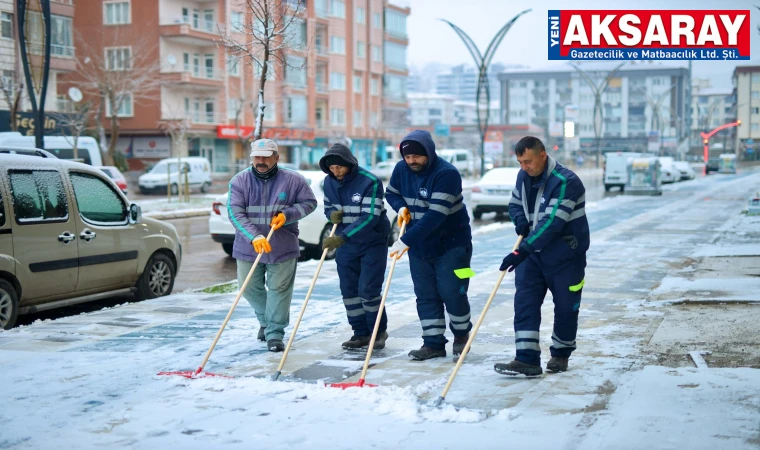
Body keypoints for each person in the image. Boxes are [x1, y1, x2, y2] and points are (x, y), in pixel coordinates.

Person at [495, 136, 589, 376]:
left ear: (542, 155)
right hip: (533, 255)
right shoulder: (523, 177)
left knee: (566, 308)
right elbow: (515, 203)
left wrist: (521, 251)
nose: (524, 167)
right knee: (524, 303)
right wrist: (520, 222)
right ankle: (526, 359)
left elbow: (553, 223)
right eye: (520, 162)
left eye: (528, 162)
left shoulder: (567, 181)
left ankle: (560, 354)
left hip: (565, 255)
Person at [385, 130, 474, 361]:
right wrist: (401, 206)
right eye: (407, 157)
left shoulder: (447, 174)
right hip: (421, 246)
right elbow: (391, 193)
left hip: (453, 244)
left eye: (417, 156)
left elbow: (436, 215)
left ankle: (462, 334)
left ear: (429, 153)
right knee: (425, 295)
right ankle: (433, 343)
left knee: (453, 292)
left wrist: (404, 240)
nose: (412, 161)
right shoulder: (400, 169)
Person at [227, 139, 317, 352]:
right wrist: (254, 236)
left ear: (276, 157)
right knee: (248, 288)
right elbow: (235, 212)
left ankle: (275, 333)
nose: (261, 161)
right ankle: (266, 321)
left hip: (282, 245)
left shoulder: (294, 180)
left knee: (279, 290)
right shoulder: (239, 181)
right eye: (257, 157)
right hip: (249, 246)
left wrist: (288, 215)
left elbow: (309, 203)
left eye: (266, 157)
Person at [319, 143, 392, 350]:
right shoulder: (329, 182)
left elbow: (370, 216)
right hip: (347, 245)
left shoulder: (370, 182)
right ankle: (360, 333)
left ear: (349, 163)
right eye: (331, 168)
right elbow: (328, 205)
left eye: (339, 167)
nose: (336, 172)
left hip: (372, 242)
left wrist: (342, 238)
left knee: (368, 290)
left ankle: (378, 332)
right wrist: (331, 214)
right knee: (349, 290)